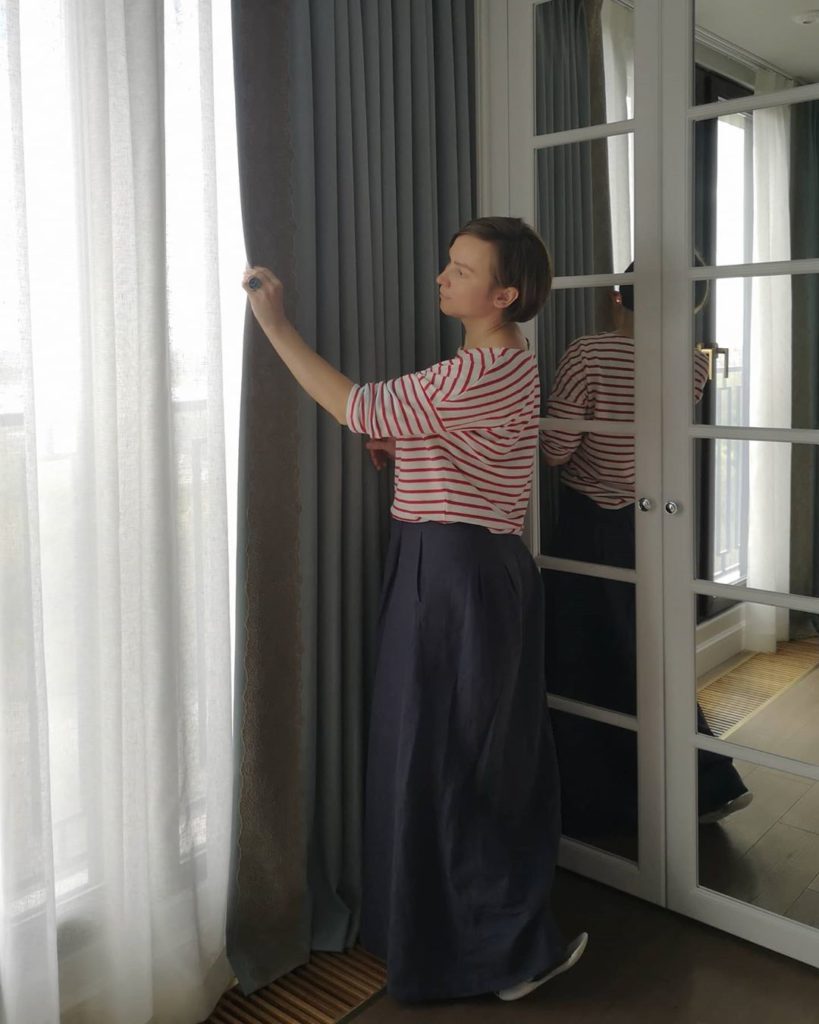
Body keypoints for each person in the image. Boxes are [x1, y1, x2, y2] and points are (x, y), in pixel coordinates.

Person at [242, 217, 587, 1004]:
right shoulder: (500, 362)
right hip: (453, 562)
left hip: (456, 570)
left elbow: (356, 406)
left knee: (455, 755)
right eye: (448, 263)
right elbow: (479, 443)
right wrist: (415, 447)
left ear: (504, 294)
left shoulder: (479, 370)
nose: (442, 276)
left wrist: (275, 326)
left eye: (461, 270)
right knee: (450, 749)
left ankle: (502, 955)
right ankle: (452, 937)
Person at [540, 265, 752, 842]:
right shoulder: (692, 363)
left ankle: (601, 806)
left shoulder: (588, 353)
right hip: (653, 523)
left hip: (588, 526)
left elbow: (556, 449)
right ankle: (703, 782)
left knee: (584, 662)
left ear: (617, 296)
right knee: (645, 656)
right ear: (692, 305)